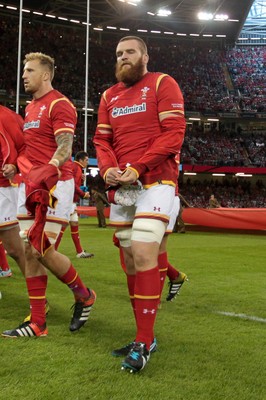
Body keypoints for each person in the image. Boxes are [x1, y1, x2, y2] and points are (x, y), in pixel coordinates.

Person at [93, 36, 186, 372]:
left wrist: (139, 166)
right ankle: (142, 336)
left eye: (130, 51)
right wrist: (108, 169)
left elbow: (174, 132)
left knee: (145, 250)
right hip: (125, 186)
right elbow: (101, 140)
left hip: (156, 180)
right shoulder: (109, 96)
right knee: (131, 260)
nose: (123, 57)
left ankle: (144, 342)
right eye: (119, 53)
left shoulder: (162, 82)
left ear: (145, 55)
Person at [2, 52, 96, 338]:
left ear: (45, 75)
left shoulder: (60, 104)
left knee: (40, 249)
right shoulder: (29, 109)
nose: (24, 76)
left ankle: (84, 294)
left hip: (56, 184)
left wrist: (51, 167)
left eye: (29, 71)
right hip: (29, 185)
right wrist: (15, 164)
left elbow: (65, 146)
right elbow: (31, 148)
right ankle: (38, 323)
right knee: (28, 251)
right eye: (23, 71)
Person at [0, 105, 26, 279]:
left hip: (3, 187)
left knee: (16, 250)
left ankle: (39, 299)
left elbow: (26, 147)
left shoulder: (7, 117)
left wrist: (15, 165)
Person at [55, 150, 94, 258]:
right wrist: (83, 194)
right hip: (68, 202)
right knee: (63, 226)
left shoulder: (76, 168)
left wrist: (81, 181)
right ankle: (52, 251)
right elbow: (72, 185)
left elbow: (74, 183)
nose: (87, 162)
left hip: (70, 201)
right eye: (86, 160)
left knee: (74, 224)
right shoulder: (76, 167)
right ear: (80, 160)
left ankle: (80, 252)